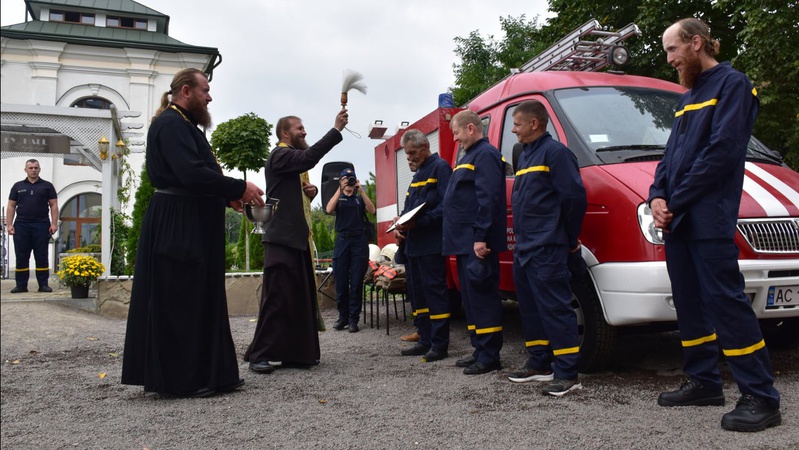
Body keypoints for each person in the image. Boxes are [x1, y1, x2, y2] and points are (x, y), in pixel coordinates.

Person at [649, 18, 781, 432]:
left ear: (697, 43)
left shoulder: (733, 84)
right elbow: (670, 155)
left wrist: (677, 200)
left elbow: (722, 152)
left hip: (707, 216)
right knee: (688, 301)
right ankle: (704, 381)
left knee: (725, 301)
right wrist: (655, 195)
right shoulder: (687, 95)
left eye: (673, 50)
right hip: (680, 218)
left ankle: (761, 395)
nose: (669, 59)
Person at [121, 68, 265, 398]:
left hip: (191, 219)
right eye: (206, 90)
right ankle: (182, 379)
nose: (210, 97)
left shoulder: (184, 124)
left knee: (198, 295)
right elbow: (189, 172)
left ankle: (209, 373)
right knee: (181, 297)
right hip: (178, 221)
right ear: (186, 91)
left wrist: (225, 194)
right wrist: (239, 186)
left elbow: (199, 174)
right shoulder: (170, 123)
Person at [245, 110, 348, 374]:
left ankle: (296, 354)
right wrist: (335, 130)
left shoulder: (288, 161)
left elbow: (291, 193)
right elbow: (308, 157)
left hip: (294, 238)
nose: (304, 132)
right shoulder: (280, 153)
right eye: (299, 128)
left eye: (304, 128)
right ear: (284, 134)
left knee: (297, 298)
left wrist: (309, 195)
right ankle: (260, 354)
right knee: (277, 297)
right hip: (281, 238)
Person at [508, 100, 587, 396]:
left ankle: (567, 372)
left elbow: (574, 198)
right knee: (529, 308)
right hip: (525, 247)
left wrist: (568, 237)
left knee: (555, 308)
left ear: (534, 124)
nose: (513, 130)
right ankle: (539, 364)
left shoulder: (555, 153)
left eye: (516, 124)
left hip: (547, 246)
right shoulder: (526, 155)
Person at [442, 110, 506, 375]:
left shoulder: (486, 155)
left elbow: (487, 198)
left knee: (483, 298)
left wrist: (480, 236)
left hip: (476, 243)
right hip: (464, 243)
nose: (455, 139)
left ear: (470, 128)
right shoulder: (469, 156)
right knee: (471, 299)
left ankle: (490, 356)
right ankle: (479, 349)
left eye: (456, 133)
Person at [393, 129, 453, 362]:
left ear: (426, 147)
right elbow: (410, 207)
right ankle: (425, 339)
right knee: (419, 296)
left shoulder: (440, 168)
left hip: (431, 244)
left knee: (435, 294)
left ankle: (440, 344)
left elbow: (446, 207)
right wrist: (399, 225)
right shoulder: (418, 175)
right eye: (407, 154)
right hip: (413, 246)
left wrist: (419, 222)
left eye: (413, 153)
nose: (409, 158)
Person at [326, 166, 375, 333]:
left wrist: (361, 191)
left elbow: (372, 210)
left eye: (351, 179)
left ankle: (354, 319)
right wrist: (339, 189)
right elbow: (329, 209)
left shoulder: (358, 198)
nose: (349, 182)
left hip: (359, 241)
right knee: (340, 280)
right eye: (345, 180)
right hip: (342, 240)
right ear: (340, 181)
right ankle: (343, 317)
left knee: (356, 282)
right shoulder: (338, 198)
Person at [6, 159, 58, 293]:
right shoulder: (17, 186)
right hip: (22, 225)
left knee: (41, 255)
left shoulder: (47, 186)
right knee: (22, 255)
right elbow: (11, 205)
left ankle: (43, 285)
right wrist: (10, 224)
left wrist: (54, 223)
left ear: (39, 169)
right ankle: (21, 285)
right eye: (30, 168)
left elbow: (53, 205)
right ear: (26, 170)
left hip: (41, 224)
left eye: (36, 168)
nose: (33, 170)